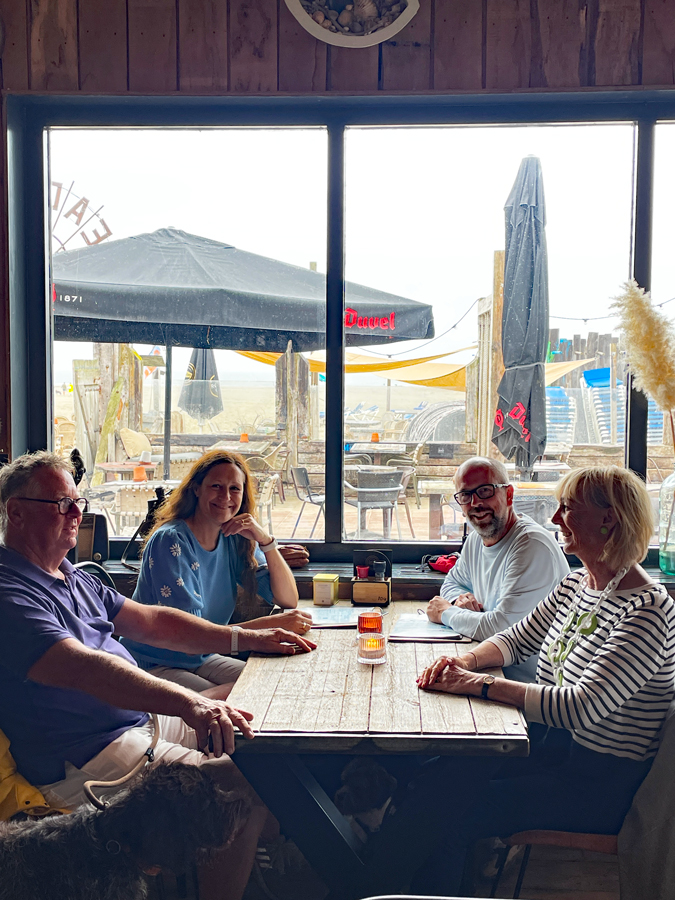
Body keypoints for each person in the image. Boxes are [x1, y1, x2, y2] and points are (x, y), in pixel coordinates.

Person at [0, 451, 316, 900]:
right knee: (249, 782)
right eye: (60, 504)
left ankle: (262, 855)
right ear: (16, 512)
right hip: (91, 754)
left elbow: (152, 621)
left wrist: (241, 639)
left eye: (78, 502)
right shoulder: (9, 591)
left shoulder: (71, 577)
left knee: (258, 727)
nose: (76, 514)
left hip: (137, 722)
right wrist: (192, 703)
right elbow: (83, 668)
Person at [407, 465, 675, 895]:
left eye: (567, 509)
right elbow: (515, 639)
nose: (554, 520)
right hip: (553, 753)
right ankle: (383, 881)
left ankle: (383, 882)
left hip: (600, 785)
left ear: (608, 519)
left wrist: (477, 684)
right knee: (439, 775)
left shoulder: (648, 610)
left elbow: (579, 706)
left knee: (451, 811)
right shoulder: (576, 584)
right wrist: (461, 661)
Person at [122, 450, 312, 694]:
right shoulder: (171, 541)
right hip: (153, 663)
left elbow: (287, 598)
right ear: (196, 489)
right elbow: (189, 635)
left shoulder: (232, 538)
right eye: (216, 486)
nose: (225, 496)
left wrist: (265, 541)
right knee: (245, 696)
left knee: (275, 682)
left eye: (234, 488)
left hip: (201, 656)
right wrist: (269, 626)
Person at [425, 457, 569, 682]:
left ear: (509, 494)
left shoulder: (531, 545)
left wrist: (446, 613)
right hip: (490, 671)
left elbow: (501, 629)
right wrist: (460, 601)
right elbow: (452, 583)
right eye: (465, 495)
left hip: (530, 691)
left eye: (485, 491)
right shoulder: (475, 540)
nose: (475, 503)